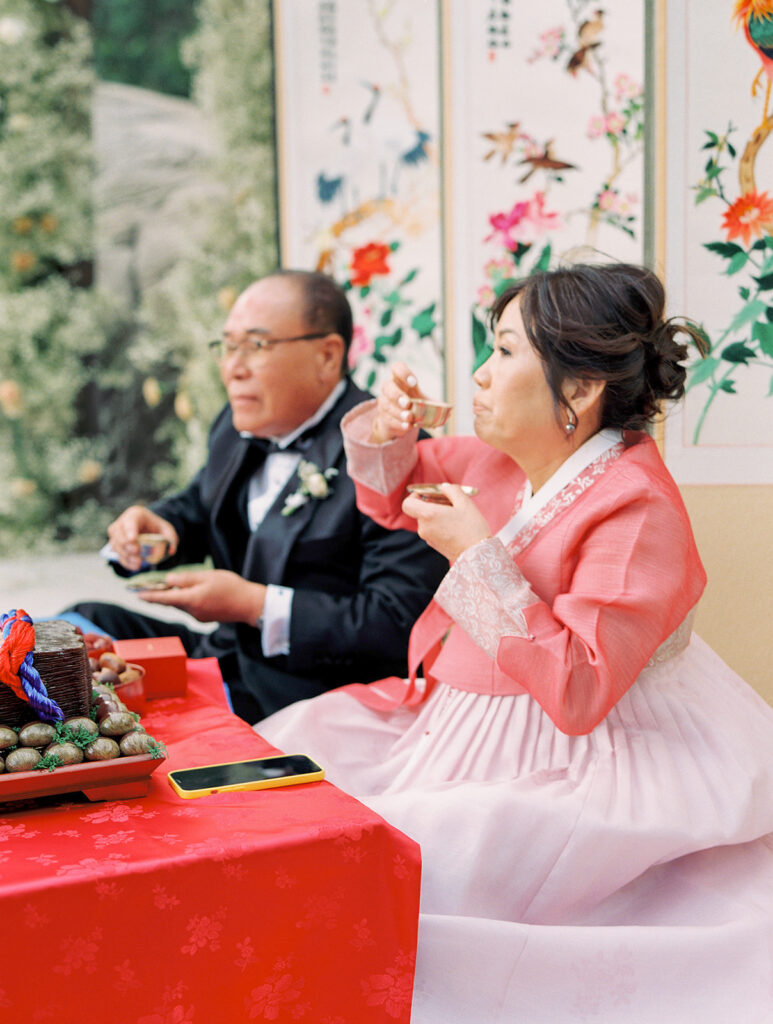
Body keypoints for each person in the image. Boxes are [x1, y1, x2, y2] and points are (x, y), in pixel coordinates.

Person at [257, 262, 773, 1022]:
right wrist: (388, 428)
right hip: (456, 720)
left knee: (398, 867)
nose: (480, 375)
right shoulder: (503, 462)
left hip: (582, 754)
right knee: (295, 773)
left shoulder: (636, 509)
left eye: (502, 352)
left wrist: (475, 557)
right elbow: (390, 492)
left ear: (577, 389)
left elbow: (578, 688)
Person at [70, 270, 447, 722]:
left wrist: (254, 606)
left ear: (328, 356)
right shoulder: (236, 424)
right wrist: (157, 526)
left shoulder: (395, 452)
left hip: (309, 695)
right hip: (225, 658)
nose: (234, 367)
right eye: (228, 347)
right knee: (77, 627)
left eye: (256, 345)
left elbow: (395, 623)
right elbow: (199, 504)